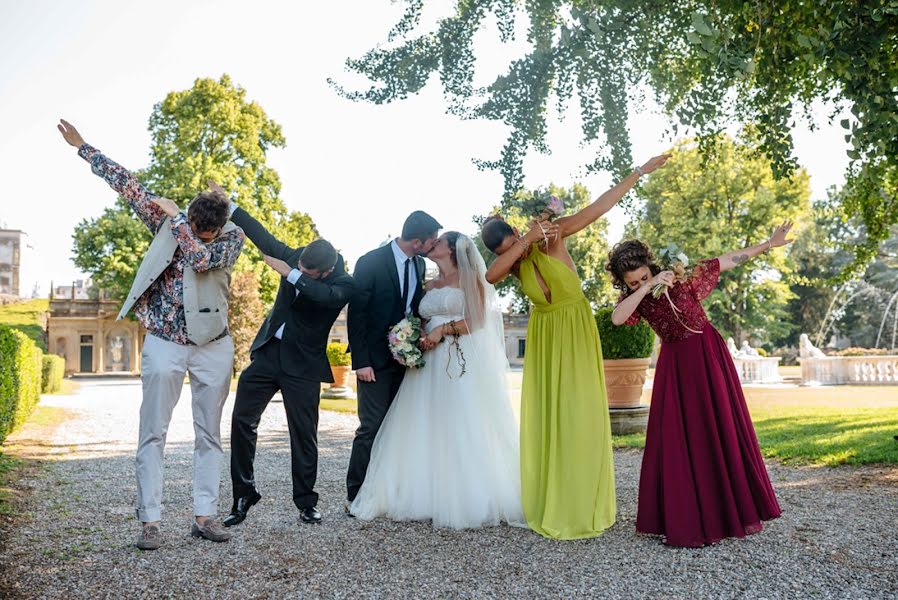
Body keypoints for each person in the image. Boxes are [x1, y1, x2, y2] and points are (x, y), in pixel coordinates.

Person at [57, 119, 245, 550]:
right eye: (195, 226)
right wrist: (84, 147)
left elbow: (199, 259)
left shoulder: (231, 238)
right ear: (194, 214)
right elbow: (127, 185)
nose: (198, 235)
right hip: (164, 339)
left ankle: (204, 515)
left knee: (209, 434)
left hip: (213, 344)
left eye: (206, 231)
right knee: (153, 431)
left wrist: (178, 219)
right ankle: (151, 521)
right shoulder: (170, 221)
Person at [481, 153, 670, 540]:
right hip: (546, 334)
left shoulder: (555, 235)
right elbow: (490, 275)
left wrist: (638, 172)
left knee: (579, 411)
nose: (512, 251)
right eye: (506, 249)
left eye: (512, 241)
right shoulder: (512, 261)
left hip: (575, 325)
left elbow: (599, 207)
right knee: (550, 413)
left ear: (516, 231)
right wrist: (522, 246)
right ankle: (552, 497)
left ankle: (584, 501)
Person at [606, 222, 792, 547]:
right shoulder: (637, 299)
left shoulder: (681, 275)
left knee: (718, 426)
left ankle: (729, 507)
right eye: (633, 281)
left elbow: (728, 260)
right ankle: (688, 514)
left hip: (706, 353)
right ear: (625, 283)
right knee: (680, 435)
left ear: (652, 266)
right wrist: (641, 291)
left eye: (644, 276)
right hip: (674, 364)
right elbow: (617, 318)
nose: (641, 282)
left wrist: (768, 244)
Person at [350, 232, 524, 528]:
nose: (433, 245)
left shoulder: (470, 280)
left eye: (440, 242)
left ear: (453, 250)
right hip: (426, 363)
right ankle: (422, 493)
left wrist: (443, 331)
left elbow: (478, 320)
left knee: (459, 423)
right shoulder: (427, 282)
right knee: (422, 423)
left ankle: (465, 497)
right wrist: (412, 336)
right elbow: (418, 317)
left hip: (457, 360)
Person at [219, 190, 355, 527]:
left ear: (323, 271)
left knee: (304, 434)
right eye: (298, 266)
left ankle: (306, 501)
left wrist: (291, 274)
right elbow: (261, 233)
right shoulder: (296, 257)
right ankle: (243, 492)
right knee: (241, 422)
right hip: (268, 355)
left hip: (304, 365)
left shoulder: (342, 282)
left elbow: (324, 297)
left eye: (307, 272)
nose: (299, 270)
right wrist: (230, 205)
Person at [345, 211, 441, 512]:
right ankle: (355, 495)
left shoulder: (419, 264)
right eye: (431, 241)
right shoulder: (370, 261)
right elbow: (357, 313)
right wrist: (361, 361)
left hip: (405, 360)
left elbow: (411, 309)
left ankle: (388, 492)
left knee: (398, 427)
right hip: (372, 361)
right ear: (417, 241)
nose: (433, 246)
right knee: (371, 427)